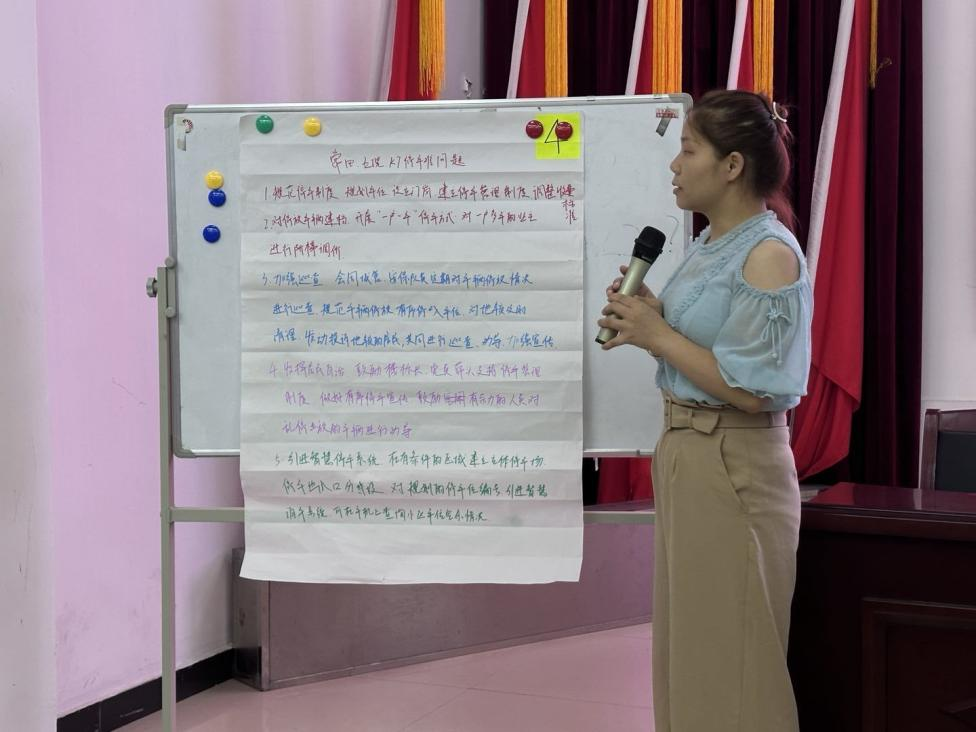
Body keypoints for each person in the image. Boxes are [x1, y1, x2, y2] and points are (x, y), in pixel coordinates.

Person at [597, 89, 812, 732]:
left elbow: (752, 388)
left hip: (733, 459)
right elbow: (708, 344)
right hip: (689, 452)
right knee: (691, 651)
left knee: (734, 659)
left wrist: (658, 334)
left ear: (732, 165)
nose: (675, 164)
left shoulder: (768, 254)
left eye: (688, 150)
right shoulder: (710, 243)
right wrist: (653, 316)